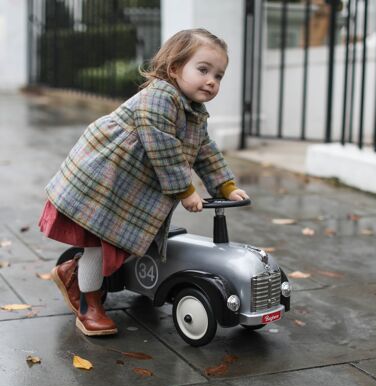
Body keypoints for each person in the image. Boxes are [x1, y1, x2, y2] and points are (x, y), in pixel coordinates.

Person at [39, 28, 249, 337]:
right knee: (99, 244)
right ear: (175, 68)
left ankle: (71, 272)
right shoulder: (159, 97)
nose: (211, 81)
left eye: (219, 75)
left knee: (130, 240)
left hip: (128, 186)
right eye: (203, 70)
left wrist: (226, 186)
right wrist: (185, 191)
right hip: (105, 179)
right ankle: (89, 307)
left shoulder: (194, 113)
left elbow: (205, 151)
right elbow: (162, 148)